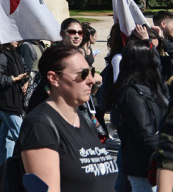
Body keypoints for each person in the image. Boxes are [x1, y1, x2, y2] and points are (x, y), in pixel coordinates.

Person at [19, 44, 117, 190]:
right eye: (83, 74)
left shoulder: (84, 119)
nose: (91, 80)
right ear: (54, 78)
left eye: (91, 72)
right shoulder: (39, 125)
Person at [110, 39, 167, 192]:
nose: (157, 59)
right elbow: (144, 133)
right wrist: (167, 152)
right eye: (152, 55)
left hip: (158, 163)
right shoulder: (131, 93)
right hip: (144, 168)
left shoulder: (153, 87)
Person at [0, 38, 27, 170]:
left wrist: (26, 81)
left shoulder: (16, 54)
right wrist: (13, 79)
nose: (18, 40)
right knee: (20, 135)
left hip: (16, 99)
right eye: (14, 37)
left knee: (6, 135)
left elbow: (24, 71)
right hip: (7, 100)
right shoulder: (1, 56)